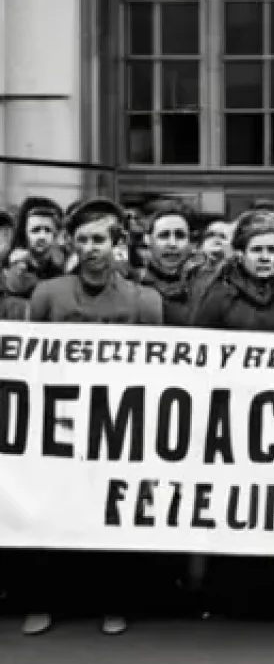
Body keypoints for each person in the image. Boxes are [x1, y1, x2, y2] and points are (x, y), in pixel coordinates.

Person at [20, 198, 164, 636]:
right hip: (59, 421)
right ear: (71, 243)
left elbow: (161, 366)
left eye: (99, 239)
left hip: (118, 422)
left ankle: (113, 603)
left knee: (111, 514)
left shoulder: (145, 300)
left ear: (116, 243)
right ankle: (44, 601)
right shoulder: (47, 294)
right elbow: (29, 358)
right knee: (52, 514)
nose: (90, 248)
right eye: (82, 239)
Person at [190, 210, 274, 629]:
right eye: (257, 250)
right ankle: (230, 598)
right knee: (237, 507)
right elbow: (198, 357)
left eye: (272, 250)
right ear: (241, 254)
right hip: (232, 422)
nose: (265, 257)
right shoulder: (217, 298)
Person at [1, 196, 65, 319]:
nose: (42, 236)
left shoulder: (61, 269)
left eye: (48, 230)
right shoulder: (11, 266)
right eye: (36, 230)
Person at [138, 200, 197, 326]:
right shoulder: (132, 286)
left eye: (180, 236)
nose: (172, 244)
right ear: (147, 239)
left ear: (190, 243)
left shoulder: (204, 291)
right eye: (164, 235)